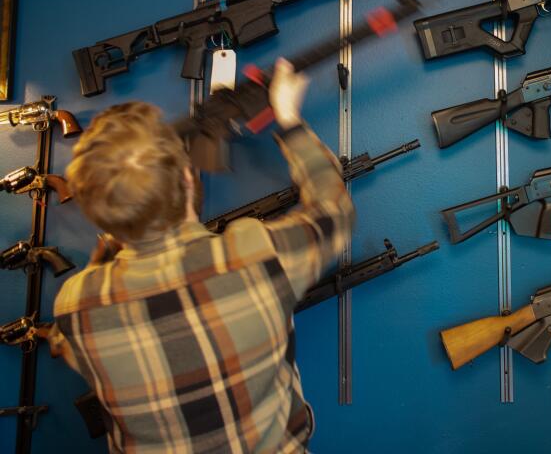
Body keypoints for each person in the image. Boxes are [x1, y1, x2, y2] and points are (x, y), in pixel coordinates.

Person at [49, 59, 354, 453]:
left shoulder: (75, 304)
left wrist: (111, 241)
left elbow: (68, 344)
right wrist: (288, 118)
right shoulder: (252, 255)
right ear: (188, 176)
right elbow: (334, 211)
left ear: (95, 213)